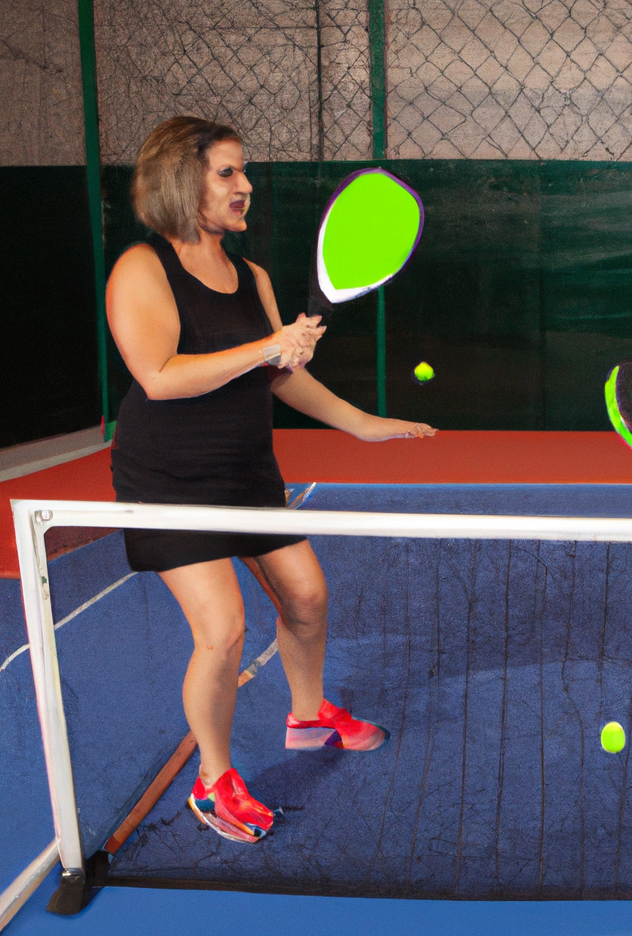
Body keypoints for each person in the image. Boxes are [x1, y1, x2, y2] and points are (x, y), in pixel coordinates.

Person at [106, 117, 435, 843]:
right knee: (222, 631)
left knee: (308, 597)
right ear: (180, 182)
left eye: (242, 171)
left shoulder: (250, 276)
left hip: (245, 467)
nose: (245, 185)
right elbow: (158, 377)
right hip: (167, 475)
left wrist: (358, 421)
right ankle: (213, 780)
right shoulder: (142, 269)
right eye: (227, 173)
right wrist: (267, 344)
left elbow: (281, 377)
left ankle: (309, 715)